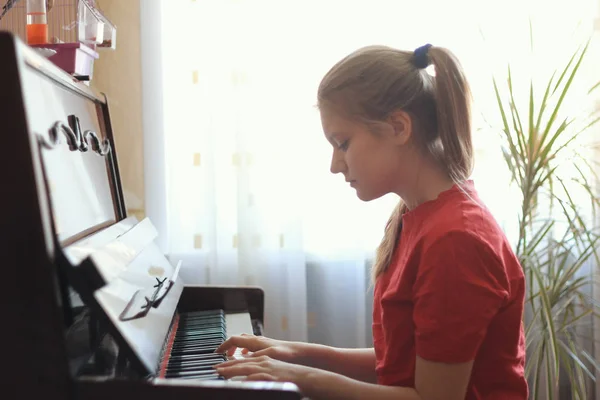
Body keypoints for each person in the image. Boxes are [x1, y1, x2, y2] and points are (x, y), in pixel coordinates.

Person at [214, 43, 528, 400]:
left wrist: (300, 378)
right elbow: (404, 362)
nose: (335, 164)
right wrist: (296, 354)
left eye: (342, 143)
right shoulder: (416, 217)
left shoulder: (455, 240)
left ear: (398, 127)